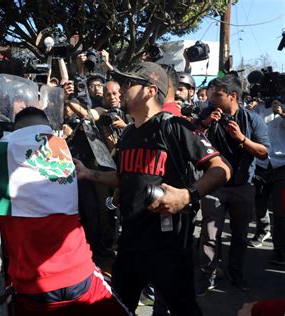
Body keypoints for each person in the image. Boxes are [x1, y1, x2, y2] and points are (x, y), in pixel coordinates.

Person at [0, 106, 131, 316]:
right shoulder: (61, 147)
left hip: (33, 286)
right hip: (79, 274)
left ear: (17, 130)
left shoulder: (6, 150)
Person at [74, 62, 231, 316]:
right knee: (118, 308)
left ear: (149, 90)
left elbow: (221, 168)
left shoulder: (176, 127)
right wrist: (88, 173)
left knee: (184, 310)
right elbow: (126, 178)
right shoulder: (127, 135)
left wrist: (186, 195)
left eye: (129, 84)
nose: (122, 90)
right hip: (130, 244)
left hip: (168, 247)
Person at [196, 74, 270, 294]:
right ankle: (207, 274)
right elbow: (191, 141)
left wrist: (242, 139)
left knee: (239, 235)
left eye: (217, 95)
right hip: (214, 186)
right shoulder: (207, 115)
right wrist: (205, 125)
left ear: (232, 96)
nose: (212, 99)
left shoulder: (252, 119)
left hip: (243, 186)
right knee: (209, 234)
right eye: (210, 95)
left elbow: (264, 153)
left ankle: (235, 273)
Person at [251, 99, 285, 264]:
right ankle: (262, 230)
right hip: (261, 164)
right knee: (259, 202)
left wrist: (282, 113)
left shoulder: (282, 107)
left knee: (280, 210)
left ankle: (279, 250)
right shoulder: (258, 108)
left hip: (282, 166)